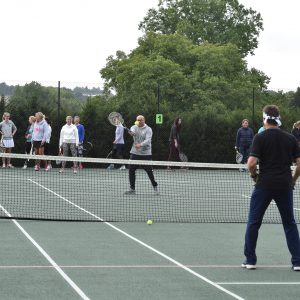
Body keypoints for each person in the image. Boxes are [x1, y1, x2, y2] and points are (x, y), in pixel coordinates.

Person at [243, 105, 300, 271]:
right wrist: (293, 179)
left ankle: (250, 260)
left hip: (264, 185)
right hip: (284, 185)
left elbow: (251, 163)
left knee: (254, 222)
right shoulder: (290, 139)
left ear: (264, 119)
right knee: (290, 223)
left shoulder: (260, 138)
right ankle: (297, 261)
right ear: (278, 119)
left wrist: (254, 176)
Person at [124, 115, 158, 194]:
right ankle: (132, 189)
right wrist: (131, 133)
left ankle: (155, 186)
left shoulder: (148, 129)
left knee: (149, 171)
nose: (139, 121)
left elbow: (148, 140)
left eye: (140, 120)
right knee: (131, 170)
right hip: (135, 152)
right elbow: (132, 131)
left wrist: (140, 144)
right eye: (137, 120)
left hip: (146, 154)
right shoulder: (134, 127)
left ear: (144, 120)